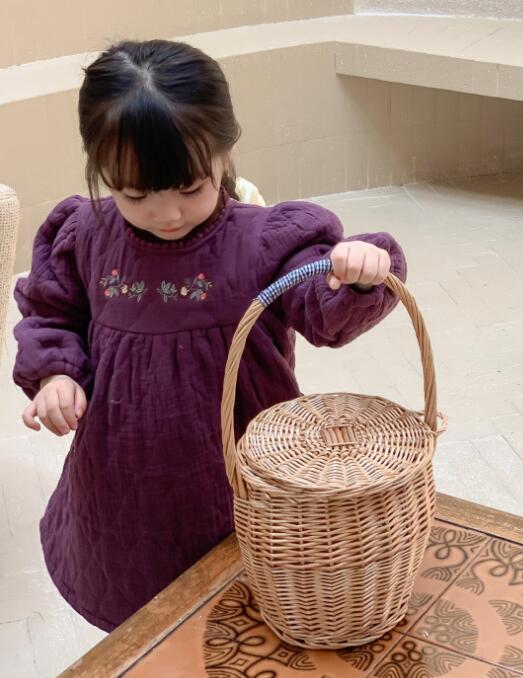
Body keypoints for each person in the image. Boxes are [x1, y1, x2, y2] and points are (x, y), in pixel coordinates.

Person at [13, 39, 406, 632]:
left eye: (190, 187)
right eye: (135, 194)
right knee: (145, 629)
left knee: (249, 619)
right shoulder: (87, 234)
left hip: (238, 487)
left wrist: (356, 274)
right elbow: (51, 310)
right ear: (100, 169)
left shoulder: (264, 241)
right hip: (121, 493)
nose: (166, 213)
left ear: (225, 152)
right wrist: (56, 374)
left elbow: (323, 312)